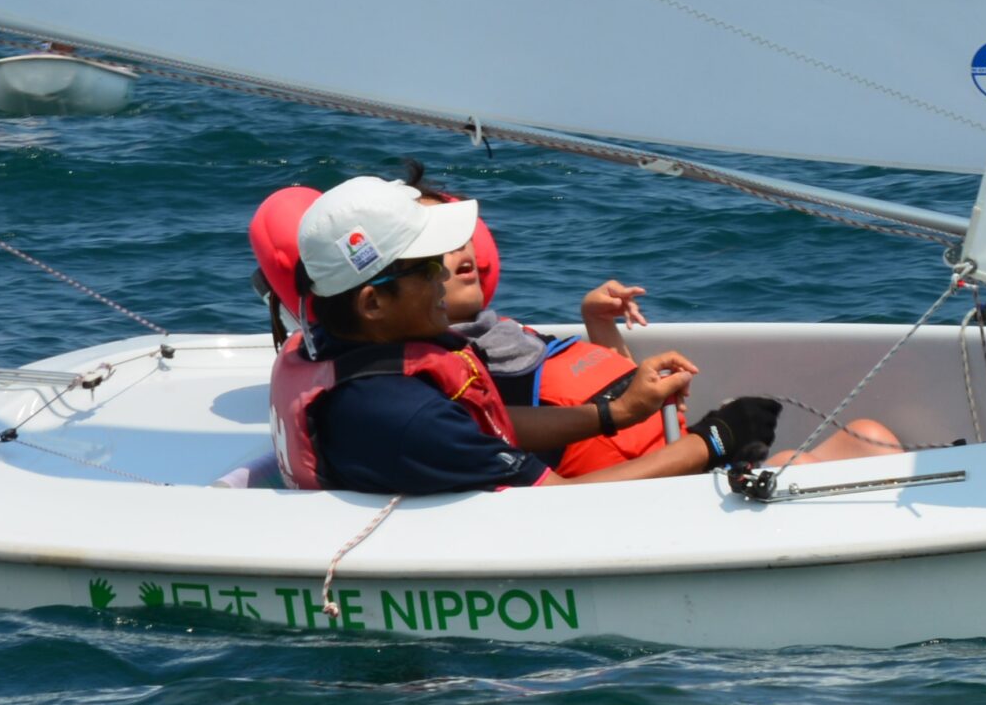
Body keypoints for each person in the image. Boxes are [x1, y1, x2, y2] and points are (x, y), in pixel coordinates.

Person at [272, 176, 784, 495]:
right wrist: (710, 443)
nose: (442, 280)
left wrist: (617, 413)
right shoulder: (404, 416)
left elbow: (481, 425)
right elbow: (556, 506)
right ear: (372, 303)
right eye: (428, 269)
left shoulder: (334, 346)